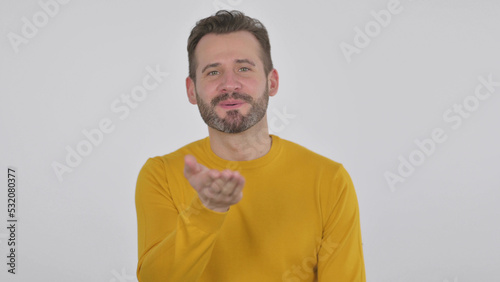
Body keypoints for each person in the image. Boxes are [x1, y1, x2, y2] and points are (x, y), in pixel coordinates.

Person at [135, 10, 365, 282]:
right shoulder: (160, 174)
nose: (229, 84)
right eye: (213, 71)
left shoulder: (329, 180)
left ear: (272, 81)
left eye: (244, 68)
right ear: (191, 90)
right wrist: (206, 211)